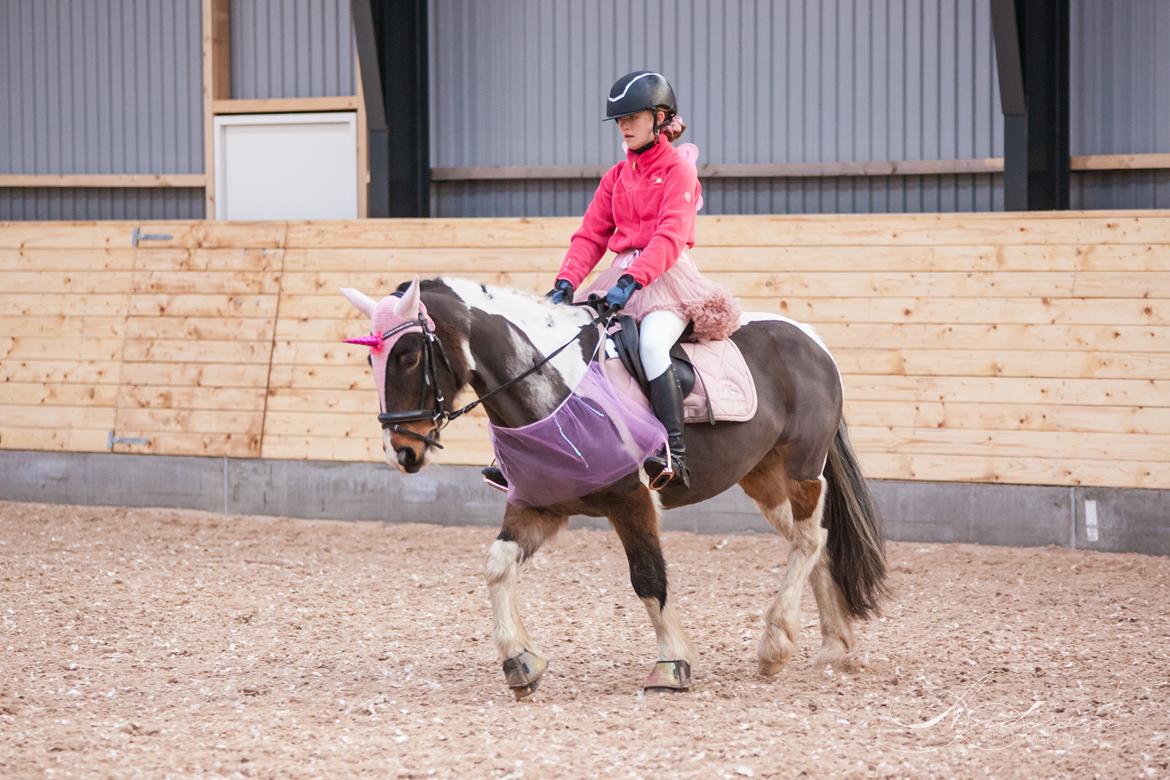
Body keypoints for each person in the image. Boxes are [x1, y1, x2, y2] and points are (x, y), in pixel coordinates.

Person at [485, 70, 740, 493]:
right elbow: (590, 236)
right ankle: (523, 455)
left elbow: (670, 236)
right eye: (619, 119)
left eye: (632, 117)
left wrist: (634, 280)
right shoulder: (616, 177)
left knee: (652, 344)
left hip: (667, 278)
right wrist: (566, 282)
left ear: (660, 118)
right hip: (619, 275)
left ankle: (673, 453)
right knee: (565, 341)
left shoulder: (678, 170)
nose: (624, 126)